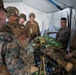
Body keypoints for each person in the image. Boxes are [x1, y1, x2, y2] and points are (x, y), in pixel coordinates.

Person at [0, 0, 37, 75]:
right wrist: (18, 39)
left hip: (23, 50)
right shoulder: (6, 29)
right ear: (8, 16)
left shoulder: (18, 26)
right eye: (15, 16)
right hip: (15, 62)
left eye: (17, 16)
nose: (17, 18)